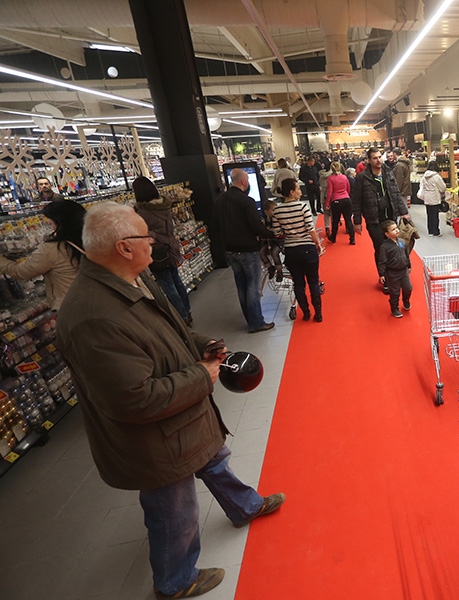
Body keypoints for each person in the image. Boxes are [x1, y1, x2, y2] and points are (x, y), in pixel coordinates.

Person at [55, 202, 286, 599]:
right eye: (146, 236)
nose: (155, 242)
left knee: (214, 459)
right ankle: (174, 581)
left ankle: (244, 505)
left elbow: (170, 329)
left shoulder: (132, 278)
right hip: (155, 439)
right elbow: (133, 399)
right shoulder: (94, 316)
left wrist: (203, 344)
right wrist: (202, 375)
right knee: (173, 509)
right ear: (124, 247)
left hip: (182, 418)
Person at [214, 168, 275, 333]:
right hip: (248, 249)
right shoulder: (246, 201)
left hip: (230, 250)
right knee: (253, 287)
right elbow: (256, 226)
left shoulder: (219, 200)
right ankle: (256, 323)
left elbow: (216, 225)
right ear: (243, 181)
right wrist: (271, 233)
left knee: (241, 286)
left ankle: (250, 319)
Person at [0, 200, 85, 310]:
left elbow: (22, 271)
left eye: (51, 223)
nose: (51, 227)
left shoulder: (53, 249)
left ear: (61, 223)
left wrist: (2, 261)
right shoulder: (91, 240)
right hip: (91, 300)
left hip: (70, 306)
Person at [132, 177, 193, 325]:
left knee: (168, 285)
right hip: (171, 248)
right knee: (177, 281)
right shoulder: (164, 206)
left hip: (158, 253)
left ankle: (182, 317)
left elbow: (143, 232)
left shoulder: (144, 213)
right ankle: (187, 311)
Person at [351, 148, 411, 294]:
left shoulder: (388, 173)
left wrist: (404, 212)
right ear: (368, 160)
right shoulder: (362, 178)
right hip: (374, 220)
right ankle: (384, 279)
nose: (379, 160)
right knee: (381, 249)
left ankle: (395, 276)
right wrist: (357, 221)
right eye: (375, 158)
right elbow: (356, 200)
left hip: (390, 217)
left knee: (394, 247)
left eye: (379, 157)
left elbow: (396, 193)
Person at [272, 179, 324, 322]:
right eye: (298, 189)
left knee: (298, 283)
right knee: (313, 281)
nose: (300, 192)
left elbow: (277, 232)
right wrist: (317, 243)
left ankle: (305, 312)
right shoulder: (303, 207)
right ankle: (318, 313)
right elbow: (310, 228)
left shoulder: (277, 210)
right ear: (291, 192)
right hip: (307, 248)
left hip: (291, 251)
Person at [377, 220, 412, 319]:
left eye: (396, 228)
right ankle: (394, 308)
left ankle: (406, 300)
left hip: (404, 271)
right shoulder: (385, 247)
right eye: (393, 230)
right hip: (392, 273)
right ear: (387, 234)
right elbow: (382, 261)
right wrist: (382, 274)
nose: (396, 230)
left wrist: (409, 265)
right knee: (395, 292)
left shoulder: (402, 242)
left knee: (408, 288)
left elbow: (406, 255)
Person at [325, 162, 354, 244]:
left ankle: (333, 237)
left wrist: (327, 203)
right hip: (346, 199)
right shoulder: (344, 177)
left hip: (336, 200)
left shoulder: (330, 178)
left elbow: (330, 192)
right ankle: (352, 238)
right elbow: (348, 188)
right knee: (348, 219)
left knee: (335, 220)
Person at [419, 160, 448, 237]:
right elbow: (442, 187)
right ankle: (436, 231)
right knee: (435, 215)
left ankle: (430, 231)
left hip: (427, 197)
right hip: (435, 197)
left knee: (429, 215)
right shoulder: (436, 176)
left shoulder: (424, 176)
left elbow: (422, 186)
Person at [259, 199, 284, 281]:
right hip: (268, 241)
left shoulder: (277, 219)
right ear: (266, 212)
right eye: (273, 210)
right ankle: (270, 267)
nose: (275, 212)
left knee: (274, 253)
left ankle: (279, 271)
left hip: (279, 241)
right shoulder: (263, 220)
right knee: (261, 252)